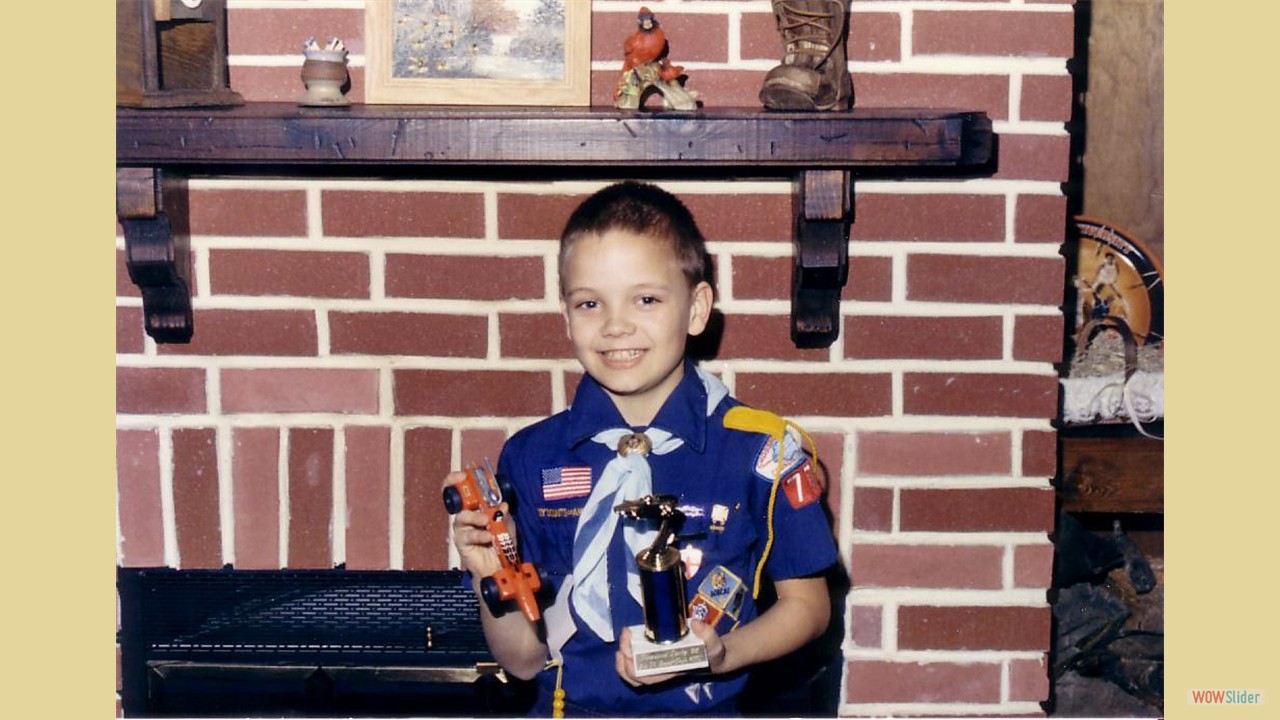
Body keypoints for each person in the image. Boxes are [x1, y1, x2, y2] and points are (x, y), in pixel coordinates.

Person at [445, 181, 838, 717]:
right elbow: (523, 660)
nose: (615, 326)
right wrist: (489, 571)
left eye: (646, 298)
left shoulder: (761, 450)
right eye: (590, 303)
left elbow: (809, 608)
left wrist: (721, 655)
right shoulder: (532, 458)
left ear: (697, 309)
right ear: (566, 315)